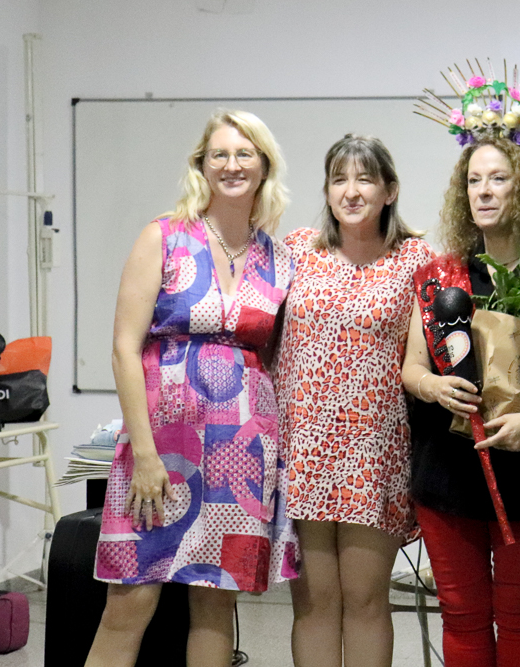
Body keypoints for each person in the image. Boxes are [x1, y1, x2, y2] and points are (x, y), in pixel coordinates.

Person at [86, 109, 298, 667]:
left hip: (241, 452)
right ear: (201, 165)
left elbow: (272, 359)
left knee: (214, 605)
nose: (232, 165)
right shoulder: (163, 236)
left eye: (244, 154)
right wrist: (145, 454)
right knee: (130, 601)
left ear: (264, 166)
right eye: (219, 154)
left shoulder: (278, 259)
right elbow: (124, 349)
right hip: (160, 449)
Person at [401, 131, 520, 667]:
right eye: (474, 180)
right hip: (447, 470)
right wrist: (435, 386)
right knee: (462, 615)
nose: (483, 191)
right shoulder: (440, 277)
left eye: (498, 179)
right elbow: (412, 368)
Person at [275, 134, 432, 667]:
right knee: (314, 602)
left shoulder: (415, 258)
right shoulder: (299, 250)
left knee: (365, 600)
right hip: (303, 451)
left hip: (374, 453)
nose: (351, 191)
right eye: (339, 179)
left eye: (365, 178)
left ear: (390, 190)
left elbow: (427, 358)